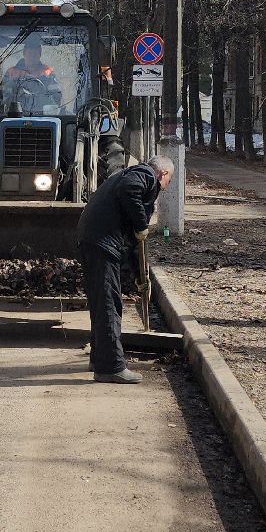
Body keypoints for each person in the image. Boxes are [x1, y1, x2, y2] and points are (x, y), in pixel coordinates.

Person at [77, 156, 174, 384]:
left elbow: (134, 245)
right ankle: (110, 367)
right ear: (163, 174)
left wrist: (142, 278)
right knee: (110, 304)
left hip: (93, 240)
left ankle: (100, 358)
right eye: (168, 181)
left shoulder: (129, 181)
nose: (165, 188)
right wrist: (142, 224)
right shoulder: (145, 175)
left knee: (101, 303)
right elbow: (129, 191)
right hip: (102, 242)